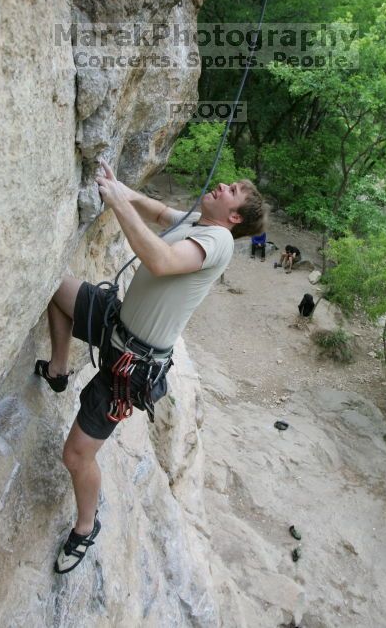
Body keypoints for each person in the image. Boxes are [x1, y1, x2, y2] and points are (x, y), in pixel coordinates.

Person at [35, 160, 266, 574]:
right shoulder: (199, 221)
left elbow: (160, 260)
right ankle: (57, 370)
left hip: (130, 366)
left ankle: (86, 527)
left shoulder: (218, 242)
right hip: (117, 322)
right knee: (56, 289)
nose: (225, 184)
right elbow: (158, 212)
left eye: (233, 190)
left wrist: (118, 202)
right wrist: (119, 186)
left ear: (234, 218)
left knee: (76, 456)